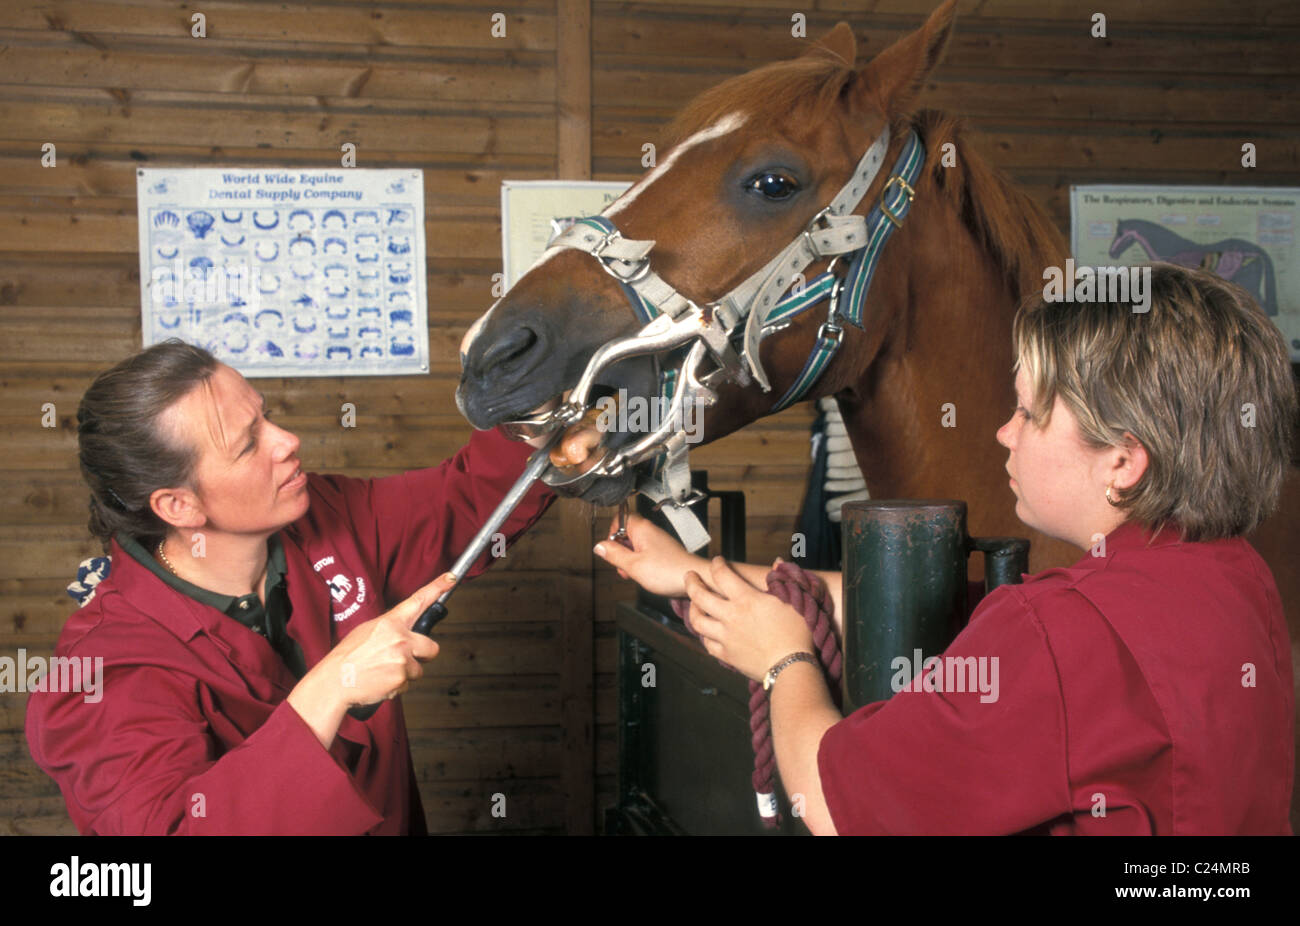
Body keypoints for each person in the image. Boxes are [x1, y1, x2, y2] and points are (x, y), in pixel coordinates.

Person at [594, 263, 1297, 835]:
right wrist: (687, 571)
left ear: (1123, 461)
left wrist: (784, 661)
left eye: (1029, 413)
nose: (1004, 434)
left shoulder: (1057, 633)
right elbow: (913, 608)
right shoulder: (1233, 575)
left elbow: (832, 806)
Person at [26, 341, 555, 835]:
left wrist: (538, 410)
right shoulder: (100, 671)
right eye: (247, 444)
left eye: (266, 416)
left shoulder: (323, 514)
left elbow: (463, 501)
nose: (287, 441)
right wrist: (332, 686)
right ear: (178, 506)